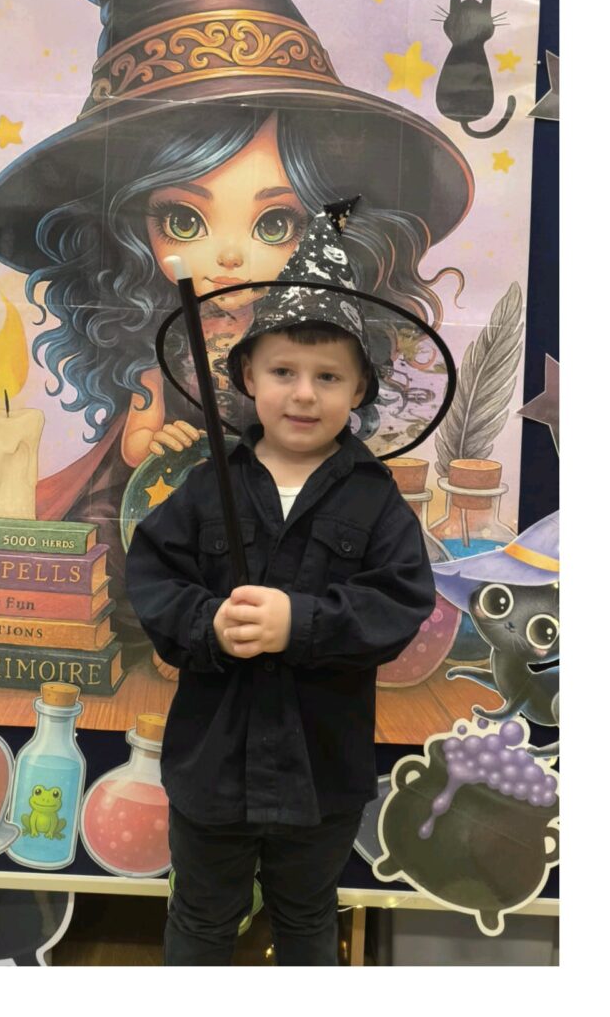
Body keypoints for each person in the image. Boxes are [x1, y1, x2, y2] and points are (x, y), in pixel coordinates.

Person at [125, 210, 438, 964]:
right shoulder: (208, 485)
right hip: (212, 767)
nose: (304, 394)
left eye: (328, 377)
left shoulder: (374, 498)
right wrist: (207, 624)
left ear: (359, 389)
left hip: (319, 774)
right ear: (246, 378)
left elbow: (400, 601)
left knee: (305, 920)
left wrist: (300, 622)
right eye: (283, 373)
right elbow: (153, 573)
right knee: (201, 920)